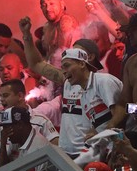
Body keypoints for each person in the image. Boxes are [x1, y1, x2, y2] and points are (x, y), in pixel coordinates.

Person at [20, 16, 124, 157]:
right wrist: (26, 36)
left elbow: (125, 110)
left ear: (87, 58)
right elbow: (36, 64)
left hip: (93, 154)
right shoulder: (69, 81)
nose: (69, 53)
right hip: (68, 155)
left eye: (75, 52)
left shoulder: (102, 81)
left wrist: (102, 133)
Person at [39, 0, 80, 67]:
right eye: (44, 5)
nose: (48, 9)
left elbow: (63, 58)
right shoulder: (47, 27)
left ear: (62, 4)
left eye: (52, 3)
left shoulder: (65, 21)